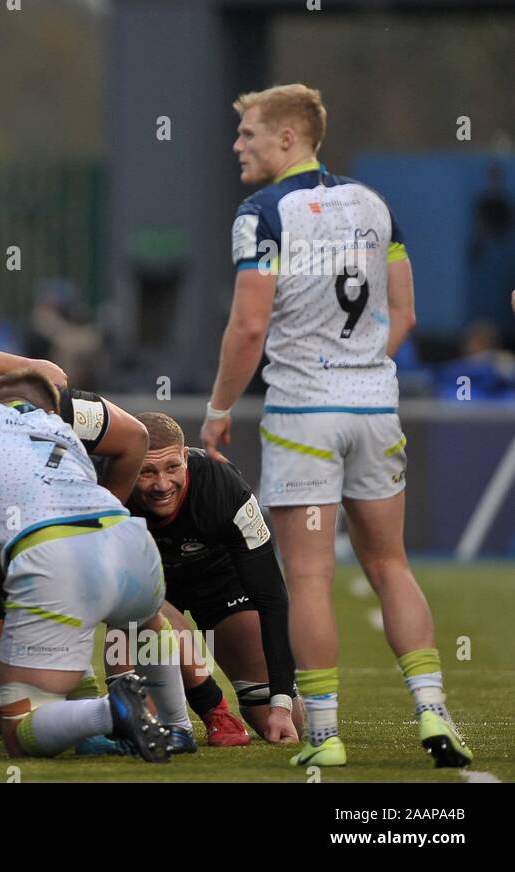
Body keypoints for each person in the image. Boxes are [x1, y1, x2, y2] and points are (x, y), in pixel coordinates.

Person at [201, 83, 472, 768]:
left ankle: (324, 735)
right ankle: (435, 713)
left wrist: (219, 408)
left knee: (312, 575)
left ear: (289, 138)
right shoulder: (374, 205)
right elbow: (405, 315)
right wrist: (359, 369)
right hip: (374, 407)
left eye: (249, 134)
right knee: (391, 565)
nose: (238, 146)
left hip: (303, 415)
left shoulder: (263, 211)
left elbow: (250, 324)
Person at [0, 362, 180, 760]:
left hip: (54, 554)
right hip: (131, 543)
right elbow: (134, 434)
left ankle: (109, 711)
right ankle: (178, 728)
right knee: (146, 620)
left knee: (18, 729)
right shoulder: (63, 426)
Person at [128, 412, 298, 746]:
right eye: (147, 472)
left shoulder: (225, 488)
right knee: (142, 601)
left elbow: (272, 599)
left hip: (218, 579)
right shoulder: (110, 488)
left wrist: (280, 703)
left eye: (172, 468)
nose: (162, 484)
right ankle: (215, 712)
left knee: (285, 725)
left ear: (186, 458)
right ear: (130, 465)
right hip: (150, 590)